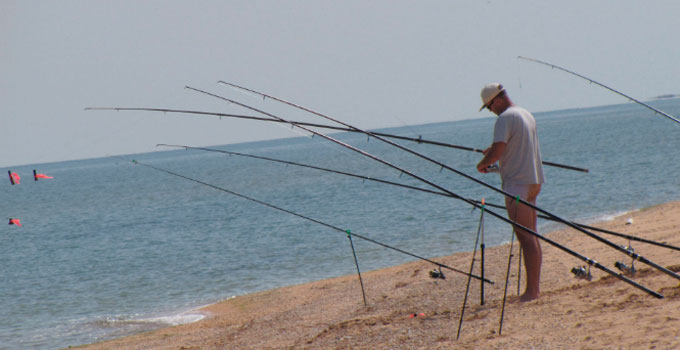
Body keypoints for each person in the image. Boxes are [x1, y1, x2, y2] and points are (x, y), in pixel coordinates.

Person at [475, 83, 545, 302]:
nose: (490, 111)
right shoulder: (525, 114)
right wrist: (496, 156)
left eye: (488, 107)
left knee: (525, 237)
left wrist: (483, 163)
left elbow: (498, 150)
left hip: (517, 185)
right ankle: (534, 288)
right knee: (532, 235)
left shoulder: (504, 118)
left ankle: (532, 292)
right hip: (534, 181)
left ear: (495, 100)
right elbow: (513, 148)